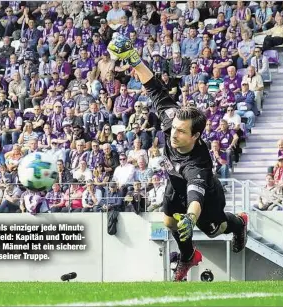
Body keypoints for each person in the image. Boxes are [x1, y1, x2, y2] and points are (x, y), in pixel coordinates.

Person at [107, 34, 248, 281]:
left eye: (181, 132)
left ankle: (239, 222)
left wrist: (192, 218)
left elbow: (196, 196)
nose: (174, 134)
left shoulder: (198, 165)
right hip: (174, 182)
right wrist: (133, 58)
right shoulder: (172, 118)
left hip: (206, 198)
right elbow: (151, 85)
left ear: (196, 136)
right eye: (174, 128)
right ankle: (188, 257)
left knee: (216, 230)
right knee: (170, 223)